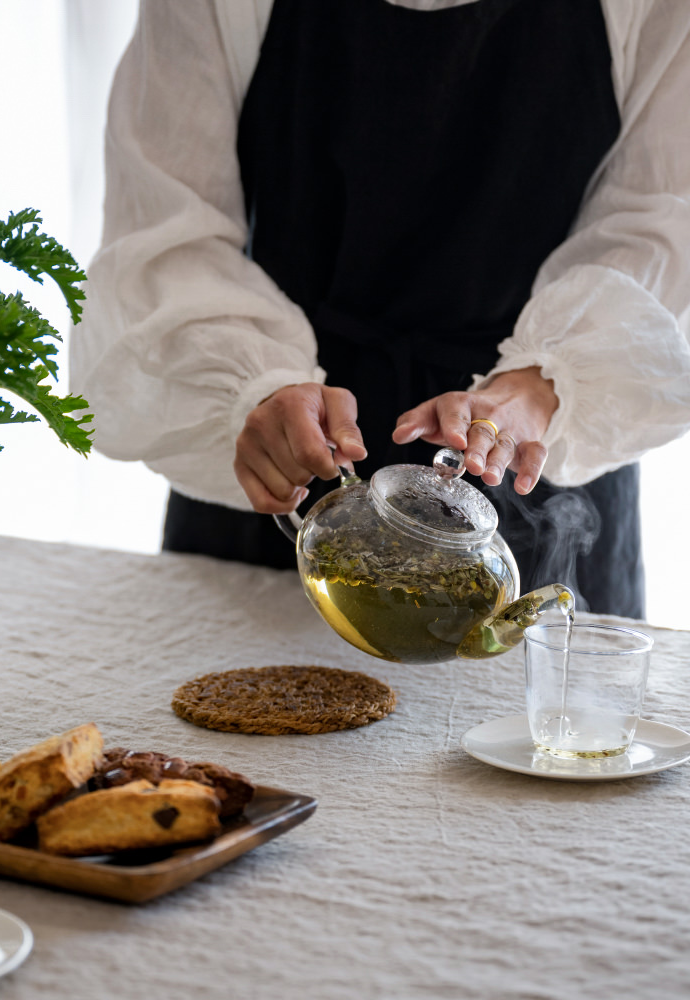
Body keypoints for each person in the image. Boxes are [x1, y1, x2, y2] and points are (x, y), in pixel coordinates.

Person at [71, 0, 690, 618]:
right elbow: (168, 229)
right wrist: (255, 384)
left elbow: (665, 224)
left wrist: (544, 382)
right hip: (283, 445)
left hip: (530, 443)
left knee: (537, 709)